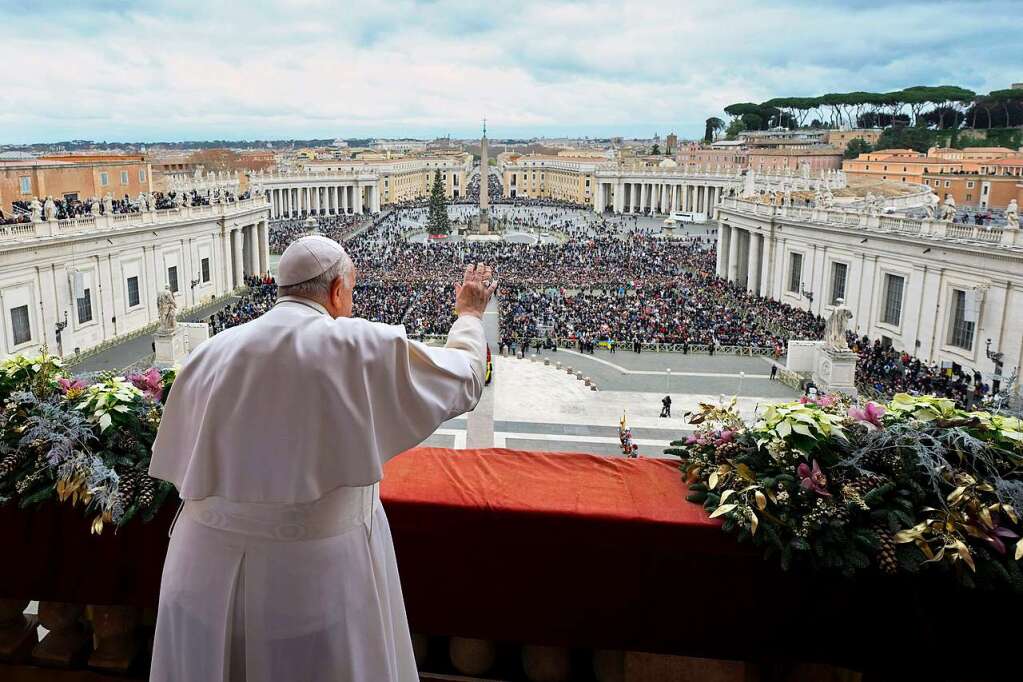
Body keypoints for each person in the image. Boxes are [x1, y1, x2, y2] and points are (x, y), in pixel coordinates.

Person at [148, 235, 495, 682]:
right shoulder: (356, 344)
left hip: (198, 576)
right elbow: (467, 378)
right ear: (336, 291)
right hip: (309, 584)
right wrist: (469, 314)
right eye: (350, 291)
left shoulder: (209, 352)